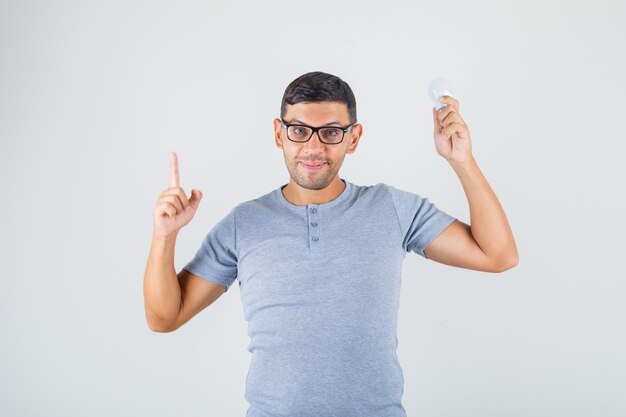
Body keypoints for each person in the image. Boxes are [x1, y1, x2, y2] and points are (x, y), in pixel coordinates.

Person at [143, 71, 519, 417]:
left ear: (353, 138)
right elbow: (164, 318)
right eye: (299, 131)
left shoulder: (391, 208)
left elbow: (498, 255)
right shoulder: (245, 223)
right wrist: (165, 236)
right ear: (279, 134)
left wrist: (462, 161)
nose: (313, 147)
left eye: (331, 132)